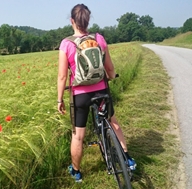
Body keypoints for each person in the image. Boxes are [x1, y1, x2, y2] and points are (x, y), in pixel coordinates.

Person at [57, 4, 136, 183]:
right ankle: (127, 159)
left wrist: (59, 99)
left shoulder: (66, 43)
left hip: (80, 95)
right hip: (102, 90)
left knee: (78, 135)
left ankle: (76, 172)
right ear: (88, 20)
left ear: (72, 21)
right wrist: (111, 76)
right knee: (113, 122)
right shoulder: (98, 38)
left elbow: (62, 76)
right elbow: (109, 68)